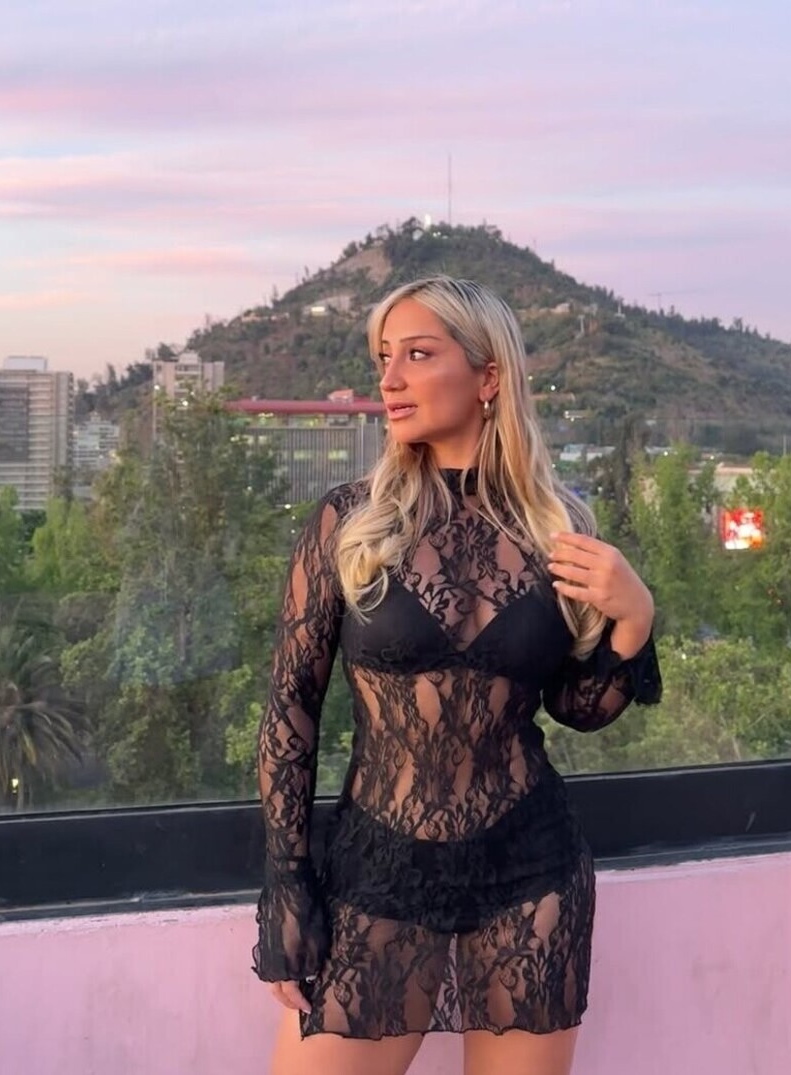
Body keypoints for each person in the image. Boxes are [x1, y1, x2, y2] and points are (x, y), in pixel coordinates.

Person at [252, 276, 661, 1075]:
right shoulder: (347, 522)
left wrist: (635, 617)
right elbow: (290, 714)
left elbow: (577, 706)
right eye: (383, 357)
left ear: (489, 376)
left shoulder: (558, 525)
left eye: (417, 354)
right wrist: (287, 889)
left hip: (531, 873)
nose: (389, 378)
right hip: (377, 869)